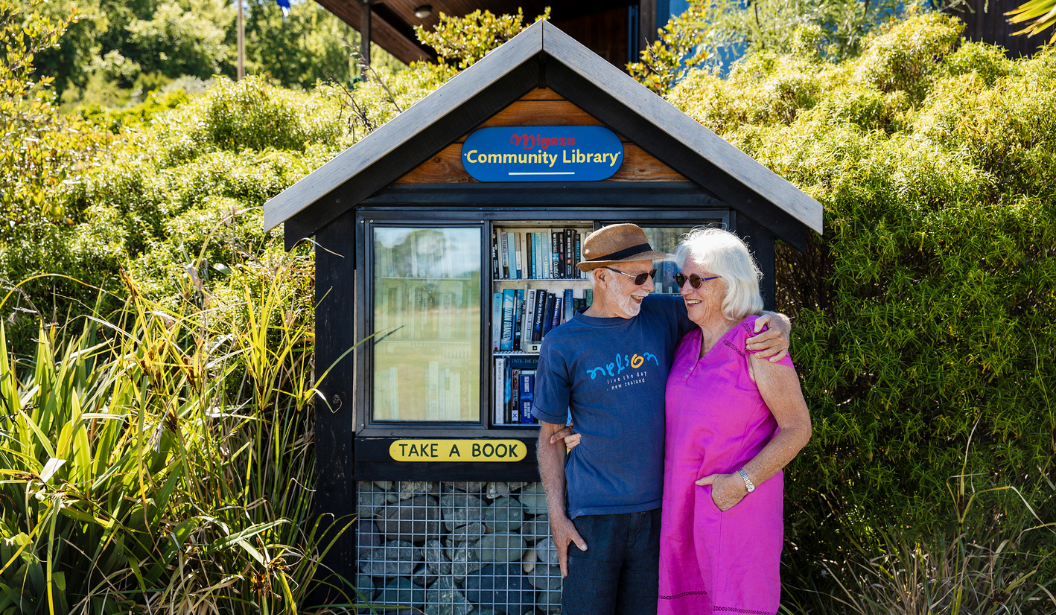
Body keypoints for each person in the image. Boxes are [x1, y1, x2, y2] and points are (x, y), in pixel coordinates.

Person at [529, 223, 791, 615]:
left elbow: (731, 308)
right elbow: (549, 438)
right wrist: (557, 516)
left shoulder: (662, 314)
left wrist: (778, 321)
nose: (649, 286)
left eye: (652, 275)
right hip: (592, 517)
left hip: (660, 515)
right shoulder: (562, 343)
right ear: (601, 276)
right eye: (638, 277)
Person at [658, 227, 812, 615]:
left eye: (697, 280)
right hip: (682, 515)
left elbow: (797, 428)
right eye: (681, 279)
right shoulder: (687, 343)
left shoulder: (758, 341)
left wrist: (740, 484)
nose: (685, 290)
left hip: (736, 512)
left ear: (731, 282)